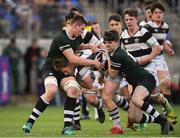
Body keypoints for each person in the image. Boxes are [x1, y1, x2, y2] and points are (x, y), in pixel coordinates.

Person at [22, 14, 104, 135]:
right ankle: (29, 122)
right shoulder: (61, 37)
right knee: (51, 91)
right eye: (82, 29)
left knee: (73, 90)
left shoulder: (76, 35)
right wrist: (94, 62)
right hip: (51, 68)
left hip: (64, 71)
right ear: (75, 26)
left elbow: (77, 46)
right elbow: (73, 59)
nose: (83, 32)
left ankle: (67, 127)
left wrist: (89, 45)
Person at [104, 29, 172, 135]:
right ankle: (161, 119)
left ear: (116, 42)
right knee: (135, 118)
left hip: (145, 79)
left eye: (110, 42)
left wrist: (107, 58)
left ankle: (162, 121)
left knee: (137, 99)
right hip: (137, 83)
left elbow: (112, 74)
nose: (107, 44)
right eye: (106, 42)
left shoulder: (117, 54)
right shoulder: (116, 52)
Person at [145, 3, 176, 124]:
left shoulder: (165, 27)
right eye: (156, 13)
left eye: (160, 12)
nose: (158, 15)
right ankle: (140, 117)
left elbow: (161, 42)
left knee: (167, 83)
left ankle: (166, 113)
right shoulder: (148, 27)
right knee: (152, 91)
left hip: (160, 58)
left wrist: (168, 49)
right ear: (151, 15)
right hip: (150, 59)